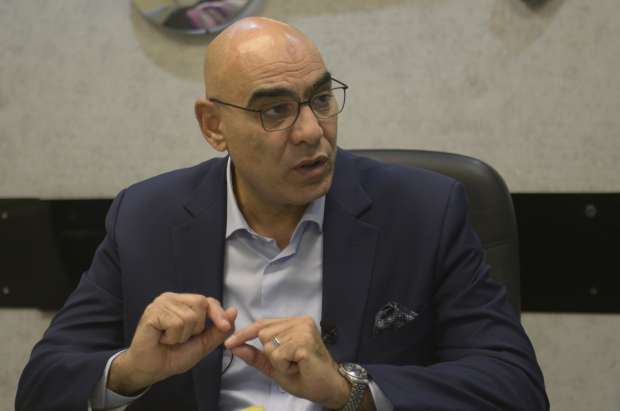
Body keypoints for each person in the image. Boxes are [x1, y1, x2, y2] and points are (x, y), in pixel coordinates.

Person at [16, 17, 548, 411]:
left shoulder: (424, 211)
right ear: (213, 126)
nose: (313, 131)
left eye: (321, 99)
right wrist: (131, 372)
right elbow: (42, 384)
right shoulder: (146, 217)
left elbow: (514, 387)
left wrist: (348, 389)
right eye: (275, 110)